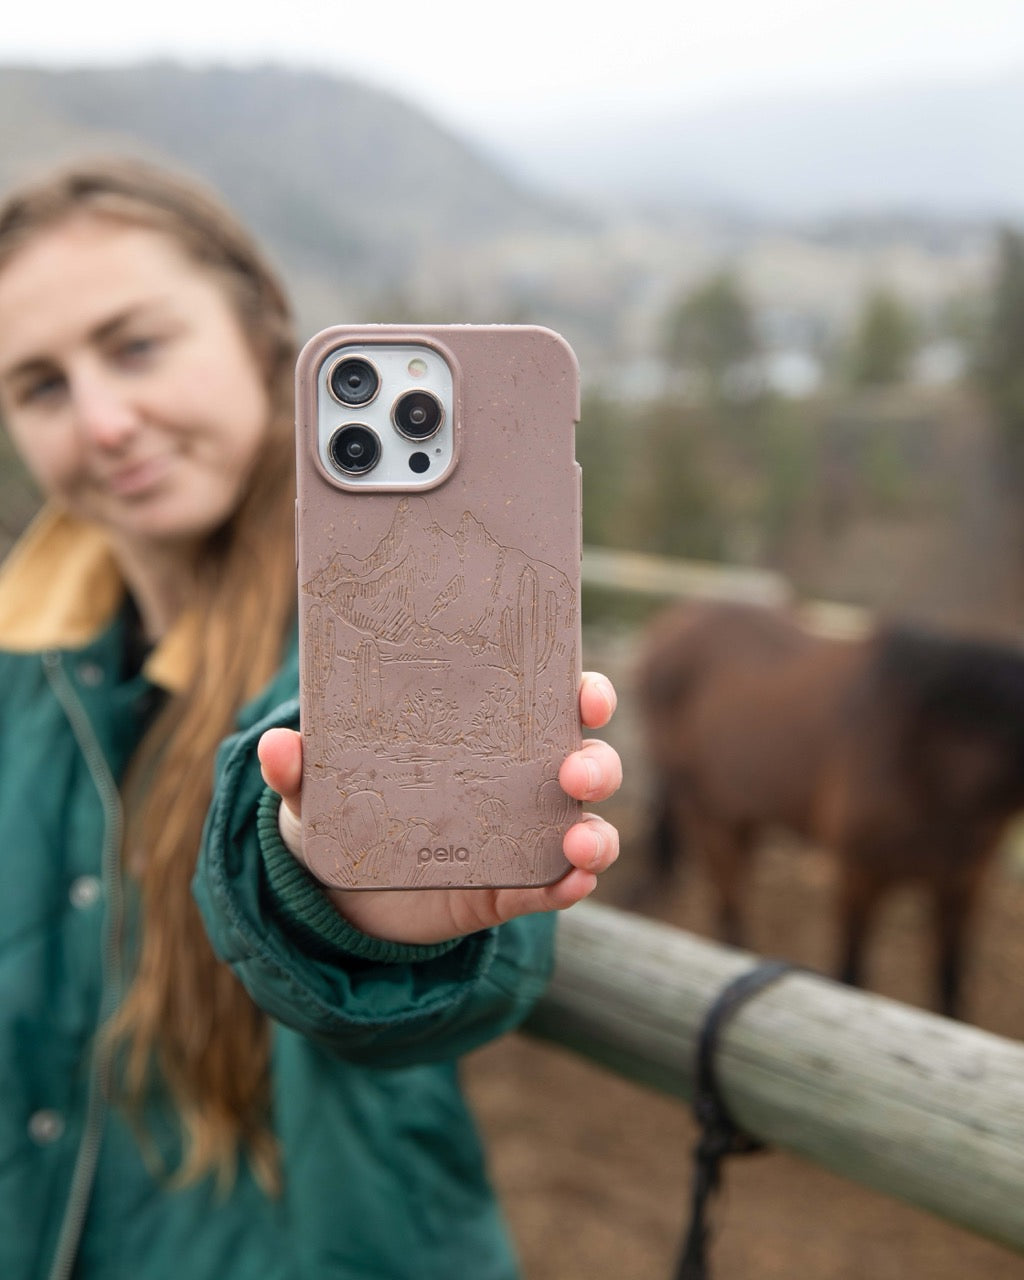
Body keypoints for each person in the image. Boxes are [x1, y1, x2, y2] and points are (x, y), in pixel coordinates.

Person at [0, 157, 623, 1280]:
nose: (102, 421)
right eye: (40, 384)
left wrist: (343, 890)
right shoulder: (17, 667)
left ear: (259, 336)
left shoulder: (399, 616)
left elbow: (394, 920)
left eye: (136, 345)